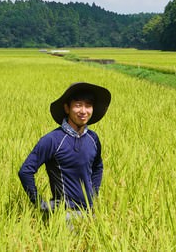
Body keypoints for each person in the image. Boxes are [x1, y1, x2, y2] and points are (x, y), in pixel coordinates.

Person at [18, 82, 111, 215]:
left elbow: (98, 167)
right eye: (78, 105)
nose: (83, 111)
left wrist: (93, 196)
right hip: (65, 213)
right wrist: (40, 204)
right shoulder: (53, 140)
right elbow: (25, 171)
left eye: (88, 105)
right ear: (67, 108)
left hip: (90, 212)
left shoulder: (93, 138)